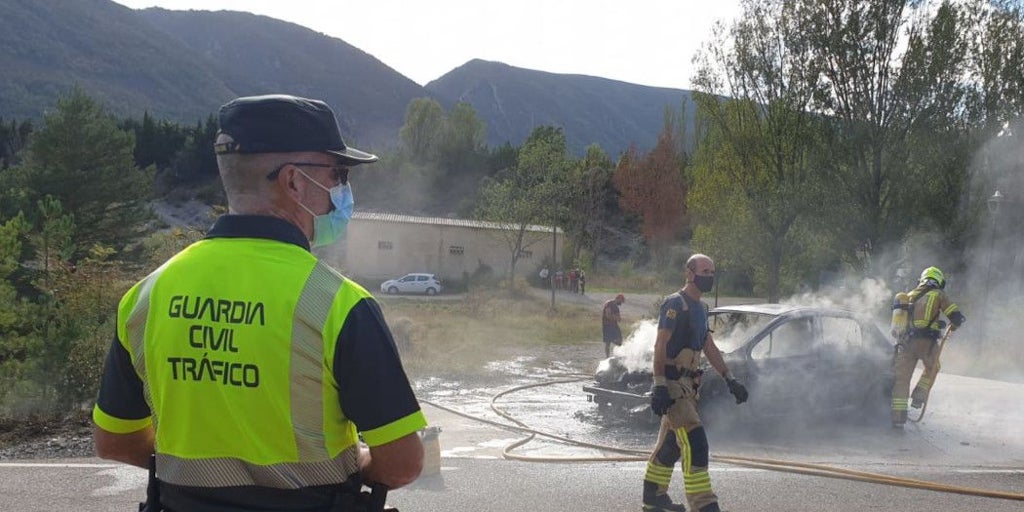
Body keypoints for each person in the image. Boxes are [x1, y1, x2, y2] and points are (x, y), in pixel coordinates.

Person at [92, 94, 426, 511]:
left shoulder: (146, 295)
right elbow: (402, 464)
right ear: (293, 182)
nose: (343, 189)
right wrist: (355, 462)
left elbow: (115, 440)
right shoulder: (341, 306)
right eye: (338, 173)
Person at [642, 254, 747, 512]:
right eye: (704, 271)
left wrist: (730, 379)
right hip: (673, 385)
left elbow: (709, 346)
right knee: (695, 441)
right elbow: (661, 344)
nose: (708, 276)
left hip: (689, 388)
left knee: (670, 446)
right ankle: (704, 505)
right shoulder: (675, 303)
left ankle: (654, 499)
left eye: (712, 272)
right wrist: (659, 384)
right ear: (689, 273)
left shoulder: (702, 309)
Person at [890, 266, 965, 428]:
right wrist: (955, 323)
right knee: (933, 367)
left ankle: (897, 420)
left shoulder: (908, 296)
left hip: (905, 344)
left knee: (901, 381)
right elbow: (955, 316)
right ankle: (919, 396)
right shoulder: (938, 294)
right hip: (926, 343)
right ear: (938, 280)